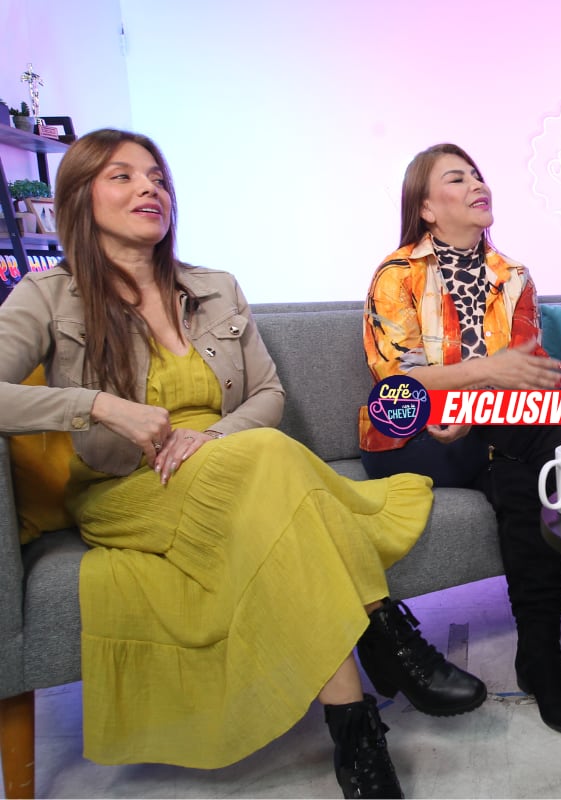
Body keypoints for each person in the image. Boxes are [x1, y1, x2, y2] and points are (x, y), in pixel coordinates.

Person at [0, 129, 488, 800]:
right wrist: (101, 407)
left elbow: (269, 396)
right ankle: (387, 633)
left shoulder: (215, 288)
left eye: (158, 178)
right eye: (123, 177)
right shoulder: (47, 296)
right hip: (130, 485)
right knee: (273, 462)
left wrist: (219, 436)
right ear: (78, 199)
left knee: (263, 458)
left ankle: (355, 730)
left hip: (235, 458)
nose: (150, 188)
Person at [361, 143, 561, 735]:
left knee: (527, 447)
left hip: (492, 428)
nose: (477, 184)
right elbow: (399, 381)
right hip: (409, 429)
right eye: (457, 179)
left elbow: (529, 373)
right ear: (428, 208)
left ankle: (539, 654)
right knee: (541, 436)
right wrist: (483, 381)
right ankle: (546, 651)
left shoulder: (515, 277)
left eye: (479, 175)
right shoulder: (396, 275)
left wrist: (485, 398)